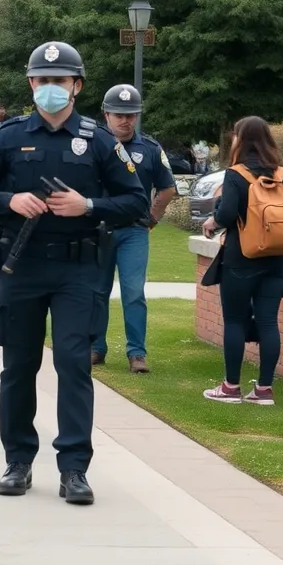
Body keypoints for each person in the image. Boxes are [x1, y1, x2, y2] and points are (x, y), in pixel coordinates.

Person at [0, 41, 147, 506]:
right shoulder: (5, 136)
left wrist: (89, 205)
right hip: (20, 267)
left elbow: (136, 203)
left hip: (77, 267)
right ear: (31, 84)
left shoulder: (99, 140)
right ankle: (18, 461)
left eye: (59, 81)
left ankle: (74, 469)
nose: (50, 89)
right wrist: (9, 200)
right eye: (42, 81)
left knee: (73, 365)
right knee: (18, 367)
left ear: (76, 87)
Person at [202, 116, 283, 406]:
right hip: (279, 259)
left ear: (240, 140)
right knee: (269, 322)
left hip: (241, 259)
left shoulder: (236, 174)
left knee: (234, 320)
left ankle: (231, 387)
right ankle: (264, 390)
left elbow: (229, 213)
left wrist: (212, 221)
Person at [91, 84, 178, 373]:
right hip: (99, 229)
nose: (125, 120)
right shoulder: (92, 145)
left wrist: (153, 218)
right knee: (97, 290)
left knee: (133, 292)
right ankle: (95, 348)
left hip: (133, 231)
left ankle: (137, 354)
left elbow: (167, 189)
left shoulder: (150, 149)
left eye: (131, 115)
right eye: (118, 114)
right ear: (106, 114)